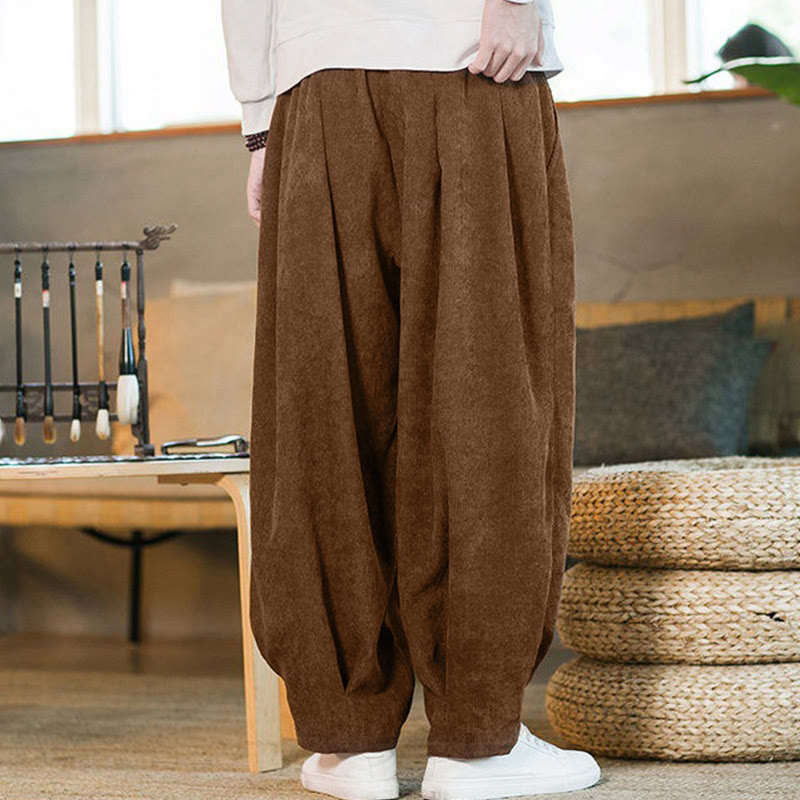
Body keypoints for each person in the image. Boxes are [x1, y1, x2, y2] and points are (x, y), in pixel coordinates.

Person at [220, 2, 601, 798]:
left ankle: (348, 738)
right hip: (469, 59)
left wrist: (260, 124)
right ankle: (477, 741)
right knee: (489, 394)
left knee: (322, 403)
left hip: (315, 84)